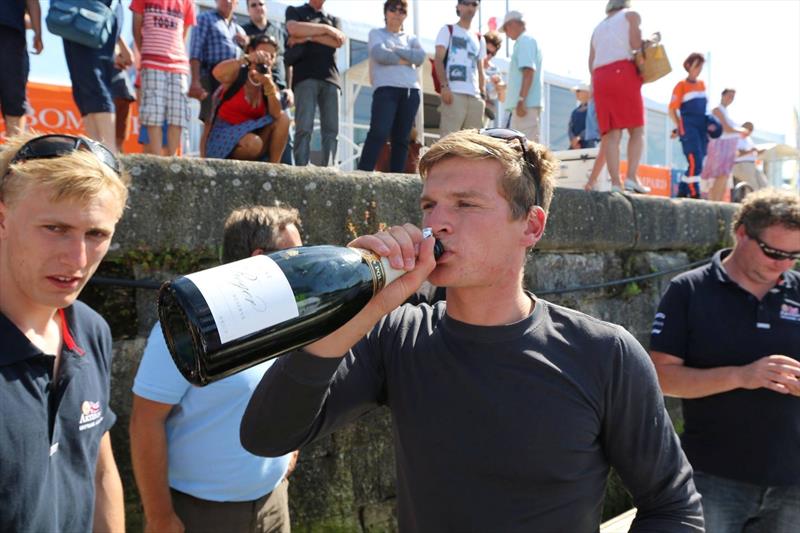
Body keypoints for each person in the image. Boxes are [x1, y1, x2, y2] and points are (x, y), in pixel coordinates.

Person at [240, 128, 704, 531]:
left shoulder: (605, 354)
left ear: (531, 226)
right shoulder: (398, 335)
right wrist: (358, 309)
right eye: (429, 204)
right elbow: (265, 437)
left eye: (465, 204)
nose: (436, 222)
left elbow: (673, 506)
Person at [131, 205, 302, 533]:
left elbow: (291, 387)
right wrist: (159, 517)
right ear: (259, 259)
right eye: (294, 254)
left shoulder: (287, 315)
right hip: (201, 514)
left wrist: (291, 451)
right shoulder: (189, 325)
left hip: (273, 501)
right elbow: (145, 420)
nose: (304, 263)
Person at [649, 188, 800, 532]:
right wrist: (743, 375)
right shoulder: (689, 290)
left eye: (794, 255)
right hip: (714, 478)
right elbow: (660, 377)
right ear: (742, 232)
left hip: (794, 482)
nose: (783, 264)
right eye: (774, 252)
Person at [0, 133, 128, 531]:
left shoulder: (90, 329)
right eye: (54, 228)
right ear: (3, 218)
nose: (77, 259)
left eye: (96, 235)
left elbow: (98, 467)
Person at [589, 0, 650, 194]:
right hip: (622, 71)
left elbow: (591, 62)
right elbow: (635, 44)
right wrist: (649, 41)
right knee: (637, 129)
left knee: (612, 133)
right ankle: (631, 177)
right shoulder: (630, 15)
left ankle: (616, 183)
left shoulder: (597, 28)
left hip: (600, 77)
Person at [357, 0, 424, 173]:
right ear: (386, 12)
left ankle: (396, 177)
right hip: (386, 89)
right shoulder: (376, 33)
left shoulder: (412, 38)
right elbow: (380, 55)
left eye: (402, 10)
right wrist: (406, 58)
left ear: (406, 15)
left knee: (402, 139)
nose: (397, 13)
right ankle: (362, 173)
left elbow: (420, 57)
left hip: (410, 91)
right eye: (393, 9)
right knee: (379, 132)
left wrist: (396, 51)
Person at [204, 35, 291, 162]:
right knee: (253, 144)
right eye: (263, 53)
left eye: (271, 56)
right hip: (226, 135)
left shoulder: (270, 83)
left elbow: (276, 114)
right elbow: (217, 73)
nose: (266, 59)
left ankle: (273, 170)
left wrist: (268, 84)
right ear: (251, 51)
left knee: (284, 118)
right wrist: (246, 59)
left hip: (254, 138)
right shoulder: (238, 73)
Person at [62, 1, 133, 152]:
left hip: (94, 11)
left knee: (95, 82)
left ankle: (109, 152)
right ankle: (96, 150)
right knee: (82, 88)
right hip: (73, 13)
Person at [131, 0, 197, 156]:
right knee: (153, 115)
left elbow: (183, 34)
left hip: (179, 66)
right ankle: (157, 161)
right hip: (152, 62)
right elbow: (136, 28)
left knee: (178, 116)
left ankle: (171, 161)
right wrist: (147, 53)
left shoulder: (187, 2)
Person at [285, 0, 346, 166]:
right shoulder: (294, 11)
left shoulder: (335, 19)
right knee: (304, 127)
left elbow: (338, 41)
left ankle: (331, 171)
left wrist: (307, 36)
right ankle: (301, 169)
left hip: (331, 78)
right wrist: (326, 30)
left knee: (332, 130)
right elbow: (293, 29)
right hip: (305, 76)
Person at [243, 0, 294, 165]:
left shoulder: (280, 32)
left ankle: (287, 176)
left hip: (279, 90)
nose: (258, 8)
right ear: (248, 10)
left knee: (286, 132)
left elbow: (288, 64)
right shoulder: (243, 32)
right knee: (259, 133)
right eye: (253, 5)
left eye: (261, 4)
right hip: (254, 89)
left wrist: (289, 88)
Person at [189, 0, 247, 127]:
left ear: (236, 2)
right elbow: (195, 51)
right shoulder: (205, 18)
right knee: (210, 122)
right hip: (211, 78)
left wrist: (246, 45)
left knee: (231, 121)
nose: (227, 1)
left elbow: (246, 60)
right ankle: (206, 147)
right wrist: (195, 81)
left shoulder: (239, 29)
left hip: (234, 82)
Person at [434, 0, 486, 138]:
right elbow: (438, 59)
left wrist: (482, 96)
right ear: (458, 6)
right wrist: (444, 86)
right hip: (454, 93)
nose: (470, 7)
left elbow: (480, 69)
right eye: (466, 3)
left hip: (475, 97)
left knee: (473, 145)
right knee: (449, 142)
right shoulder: (448, 30)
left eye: (474, 4)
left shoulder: (480, 38)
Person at [669, 53, 709, 199]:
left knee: (699, 160)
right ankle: (693, 192)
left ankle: (682, 190)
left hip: (701, 129)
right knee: (695, 160)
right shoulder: (681, 86)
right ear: (688, 66)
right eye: (696, 65)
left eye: (701, 66)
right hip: (688, 128)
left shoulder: (702, 85)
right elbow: (672, 109)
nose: (699, 69)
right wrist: (679, 127)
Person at [0, 0, 42, 137]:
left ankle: (13, 153)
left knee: (14, 99)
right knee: (14, 98)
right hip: (12, 35)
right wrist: (37, 33)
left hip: (11, 35)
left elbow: (32, 2)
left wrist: (38, 33)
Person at [500, 11, 543, 142]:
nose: (506, 33)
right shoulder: (525, 41)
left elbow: (528, 72)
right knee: (521, 149)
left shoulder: (525, 40)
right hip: (523, 106)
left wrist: (521, 100)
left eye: (506, 28)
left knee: (524, 149)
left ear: (513, 24)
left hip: (524, 107)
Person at [702, 88, 748, 201]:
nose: (730, 98)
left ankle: (716, 207)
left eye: (732, 97)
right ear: (722, 95)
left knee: (723, 178)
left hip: (728, 150)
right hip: (720, 149)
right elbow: (726, 128)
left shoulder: (726, 112)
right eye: (729, 95)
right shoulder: (717, 110)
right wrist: (741, 131)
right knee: (719, 176)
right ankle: (714, 205)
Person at [732, 121, 768, 192]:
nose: (750, 131)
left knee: (764, 185)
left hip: (752, 165)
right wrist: (750, 151)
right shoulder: (735, 137)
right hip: (741, 165)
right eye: (749, 129)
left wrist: (759, 152)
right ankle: (752, 202)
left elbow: (753, 152)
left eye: (751, 130)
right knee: (752, 186)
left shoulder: (748, 139)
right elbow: (736, 153)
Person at [481, 30, 505, 128]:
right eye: (487, 51)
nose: (489, 56)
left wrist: (499, 86)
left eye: (493, 54)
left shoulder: (495, 70)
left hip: (485, 114)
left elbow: (501, 98)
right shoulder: (471, 63)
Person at [568, 82, 595, 149]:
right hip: (575, 146)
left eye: (578, 91)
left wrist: (579, 138)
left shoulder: (593, 109)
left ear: (587, 92)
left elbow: (592, 126)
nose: (576, 93)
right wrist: (573, 141)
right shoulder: (574, 111)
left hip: (589, 145)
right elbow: (570, 128)